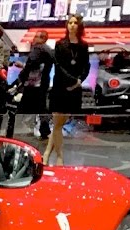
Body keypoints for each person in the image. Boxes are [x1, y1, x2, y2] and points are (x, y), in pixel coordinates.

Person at [45, 14, 89, 165]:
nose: (72, 25)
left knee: (59, 124)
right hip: (60, 88)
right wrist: (72, 81)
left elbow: (86, 66)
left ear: (79, 26)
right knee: (57, 124)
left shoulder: (83, 46)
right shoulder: (60, 44)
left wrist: (79, 81)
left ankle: (46, 154)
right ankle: (60, 157)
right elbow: (58, 66)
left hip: (74, 89)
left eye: (75, 23)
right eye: (70, 22)